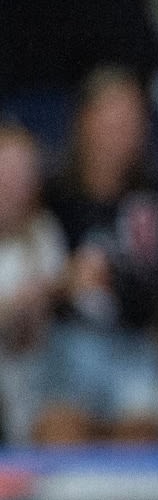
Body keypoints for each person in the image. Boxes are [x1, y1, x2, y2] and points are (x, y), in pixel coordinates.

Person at [38, 67, 158, 444]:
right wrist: (64, 282)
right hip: (66, 340)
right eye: (113, 114)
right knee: (60, 432)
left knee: (141, 434)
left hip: (136, 342)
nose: (124, 127)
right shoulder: (52, 192)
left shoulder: (157, 193)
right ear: (86, 120)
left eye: (133, 117)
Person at [0, 124, 67, 445]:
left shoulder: (44, 233)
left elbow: (32, 334)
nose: (15, 183)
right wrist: (13, 306)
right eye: (6, 170)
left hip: (33, 379)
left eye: (24, 172)